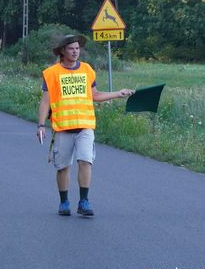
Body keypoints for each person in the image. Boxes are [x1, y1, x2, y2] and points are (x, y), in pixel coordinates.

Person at [37, 34, 134, 217]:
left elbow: (95, 96)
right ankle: (64, 202)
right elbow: (45, 102)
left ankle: (84, 201)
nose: (75, 51)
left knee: (85, 161)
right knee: (63, 167)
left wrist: (118, 93)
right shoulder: (51, 73)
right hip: (63, 128)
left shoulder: (87, 70)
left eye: (77, 48)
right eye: (71, 48)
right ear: (63, 52)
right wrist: (41, 125)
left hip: (85, 126)